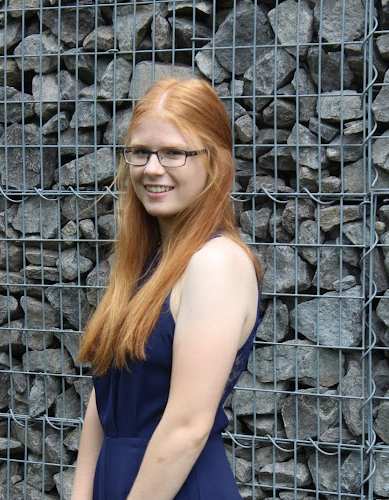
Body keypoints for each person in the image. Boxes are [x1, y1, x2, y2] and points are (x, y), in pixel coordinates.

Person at [71, 77, 262, 500]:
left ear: (214, 160)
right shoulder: (148, 265)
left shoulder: (216, 263)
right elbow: (105, 401)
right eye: (140, 152)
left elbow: (187, 428)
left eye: (174, 152)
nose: (152, 168)